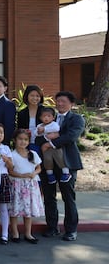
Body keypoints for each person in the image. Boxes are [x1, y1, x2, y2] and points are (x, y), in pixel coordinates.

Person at [40, 91, 83, 241]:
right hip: (49, 163)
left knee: (68, 197)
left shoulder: (76, 119)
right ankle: (52, 227)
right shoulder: (50, 117)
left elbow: (71, 136)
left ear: (71, 103)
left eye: (63, 101)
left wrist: (51, 143)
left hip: (68, 163)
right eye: (58, 101)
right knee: (49, 196)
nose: (60, 104)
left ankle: (71, 230)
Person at [7, 129, 44, 244]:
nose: (23, 142)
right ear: (15, 140)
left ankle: (28, 233)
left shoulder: (32, 154)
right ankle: (15, 233)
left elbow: (39, 168)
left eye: (25, 139)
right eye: (20, 139)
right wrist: (22, 175)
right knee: (15, 209)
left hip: (30, 185)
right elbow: (10, 171)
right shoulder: (12, 155)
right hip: (17, 185)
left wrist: (34, 173)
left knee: (28, 210)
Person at [35, 106, 68, 184]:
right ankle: (50, 174)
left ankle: (66, 172)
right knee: (47, 160)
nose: (46, 118)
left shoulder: (54, 124)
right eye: (44, 116)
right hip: (46, 148)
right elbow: (36, 134)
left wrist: (44, 129)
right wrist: (38, 132)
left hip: (54, 146)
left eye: (49, 116)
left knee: (60, 158)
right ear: (40, 118)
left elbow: (56, 129)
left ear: (53, 118)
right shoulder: (39, 126)